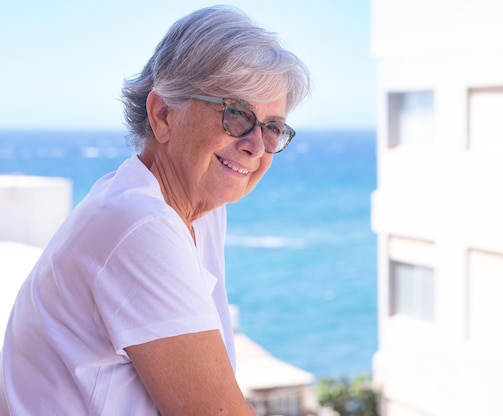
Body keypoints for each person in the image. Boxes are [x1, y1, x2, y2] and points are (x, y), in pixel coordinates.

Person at [0, 5, 310, 415]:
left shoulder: (199, 208)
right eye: (236, 115)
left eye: (272, 127)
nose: (255, 145)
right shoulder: (139, 224)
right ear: (163, 114)